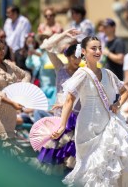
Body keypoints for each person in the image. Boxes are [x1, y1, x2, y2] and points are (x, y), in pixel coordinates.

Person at [52, 36, 128, 187]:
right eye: (94, 48)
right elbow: (69, 100)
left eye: (99, 48)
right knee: (92, 167)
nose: (98, 51)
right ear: (84, 52)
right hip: (88, 127)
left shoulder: (108, 73)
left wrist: (117, 104)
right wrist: (61, 126)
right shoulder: (81, 73)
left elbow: (124, 91)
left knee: (110, 165)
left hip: (108, 124)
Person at [35, 35, 82, 174]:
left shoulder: (83, 73)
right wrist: (64, 34)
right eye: (74, 57)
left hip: (74, 118)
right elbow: (46, 46)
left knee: (70, 159)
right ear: (68, 56)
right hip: (58, 117)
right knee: (54, 157)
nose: (77, 60)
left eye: (80, 57)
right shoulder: (60, 69)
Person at [0, 37, 32, 159]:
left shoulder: (9, 64)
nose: (2, 51)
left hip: (11, 112)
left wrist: (22, 87)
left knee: (9, 145)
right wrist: (12, 102)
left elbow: (26, 74)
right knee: (1, 148)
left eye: (3, 49)